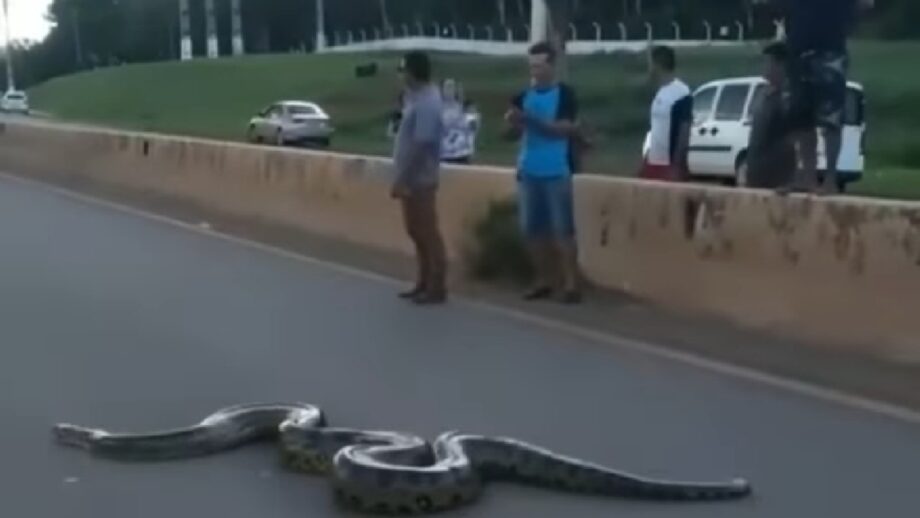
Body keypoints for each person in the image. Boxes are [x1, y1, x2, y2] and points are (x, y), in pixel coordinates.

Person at [505, 42, 582, 304]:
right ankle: (544, 279)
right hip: (529, 170)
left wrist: (528, 120)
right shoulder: (522, 96)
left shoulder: (565, 95)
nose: (535, 71)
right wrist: (514, 123)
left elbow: (563, 129)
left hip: (556, 170)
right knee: (532, 230)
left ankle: (571, 284)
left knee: (563, 230)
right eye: (532, 66)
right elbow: (513, 134)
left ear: (552, 65)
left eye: (540, 65)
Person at [776, 0, 868, 195]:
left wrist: (842, 21)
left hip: (830, 49)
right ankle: (807, 177)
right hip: (798, 48)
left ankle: (830, 179)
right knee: (800, 116)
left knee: (830, 117)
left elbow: (863, 4)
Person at [391, 51, 448, 305]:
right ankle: (423, 281)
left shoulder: (427, 101)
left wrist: (402, 177)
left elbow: (421, 143)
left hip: (420, 176)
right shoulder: (415, 99)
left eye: (403, 70)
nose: (400, 75)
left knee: (426, 232)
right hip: (412, 176)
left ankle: (437, 284)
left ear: (413, 72)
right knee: (415, 231)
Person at [746, 41, 797, 189]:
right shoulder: (763, 92)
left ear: (780, 65)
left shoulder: (788, 96)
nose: (764, 67)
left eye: (768, 62)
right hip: (756, 167)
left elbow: (790, 136)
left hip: (777, 172)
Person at [640, 45, 693, 182]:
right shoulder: (659, 92)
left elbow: (684, 130)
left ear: (658, 65)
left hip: (669, 165)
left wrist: (676, 166)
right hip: (653, 162)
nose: (649, 69)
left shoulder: (681, 92)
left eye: (650, 64)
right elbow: (655, 128)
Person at [439, 79, 478, 165]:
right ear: (442, 90)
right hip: (443, 155)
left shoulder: (464, 108)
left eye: (452, 87)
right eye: (447, 87)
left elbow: (472, 127)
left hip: (461, 154)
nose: (450, 90)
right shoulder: (437, 109)